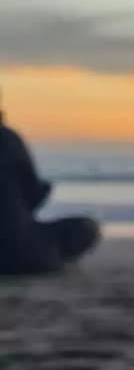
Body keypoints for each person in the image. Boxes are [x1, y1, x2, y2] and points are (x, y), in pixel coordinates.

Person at [0, 106, 100, 275]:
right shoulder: (9, 139)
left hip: (18, 248)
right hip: (23, 251)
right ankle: (57, 262)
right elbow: (33, 195)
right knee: (87, 227)